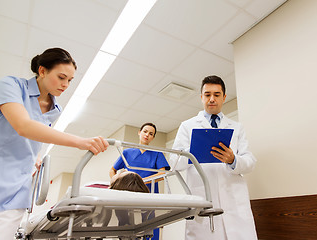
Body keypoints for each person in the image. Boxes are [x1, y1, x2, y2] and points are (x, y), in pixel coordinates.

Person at [0, 47, 109, 239]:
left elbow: (35, 136)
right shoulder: (12, 85)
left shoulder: (55, 108)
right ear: (42, 71)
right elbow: (23, 126)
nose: (66, 84)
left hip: (17, 189)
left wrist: (36, 155)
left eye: (70, 80)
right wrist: (80, 142)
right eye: (61, 77)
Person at [171, 75, 258, 240]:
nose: (212, 99)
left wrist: (233, 160)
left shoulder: (236, 128)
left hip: (234, 204)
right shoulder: (187, 126)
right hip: (203, 201)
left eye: (217, 95)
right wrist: (193, 151)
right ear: (201, 97)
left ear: (224, 97)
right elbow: (173, 163)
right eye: (207, 94)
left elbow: (250, 162)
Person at [109, 122, 169, 240]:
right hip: (128, 194)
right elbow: (112, 170)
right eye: (145, 131)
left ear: (153, 137)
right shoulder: (127, 152)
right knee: (127, 226)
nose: (147, 135)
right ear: (139, 132)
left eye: (151, 134)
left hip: (149, 194)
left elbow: (162, 174)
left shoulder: (157, 154)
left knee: (149, 227)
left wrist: (139, 182)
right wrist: (116, 184)